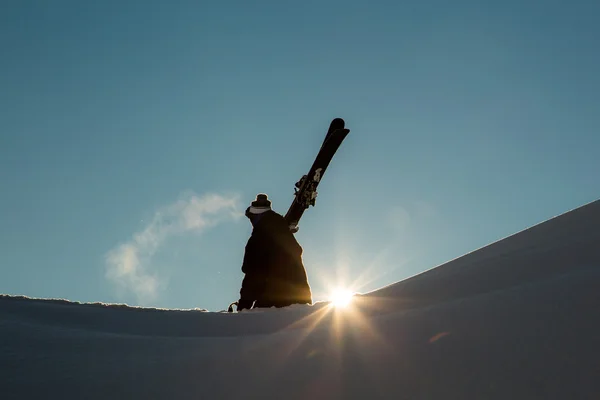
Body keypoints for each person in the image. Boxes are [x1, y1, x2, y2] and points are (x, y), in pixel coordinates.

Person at [236, 193, 312, 311]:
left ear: (257, 216)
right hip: (302, 304)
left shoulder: (258, 239)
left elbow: (253, 275)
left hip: (274, 304)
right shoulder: (286, 237)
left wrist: (243, 306)